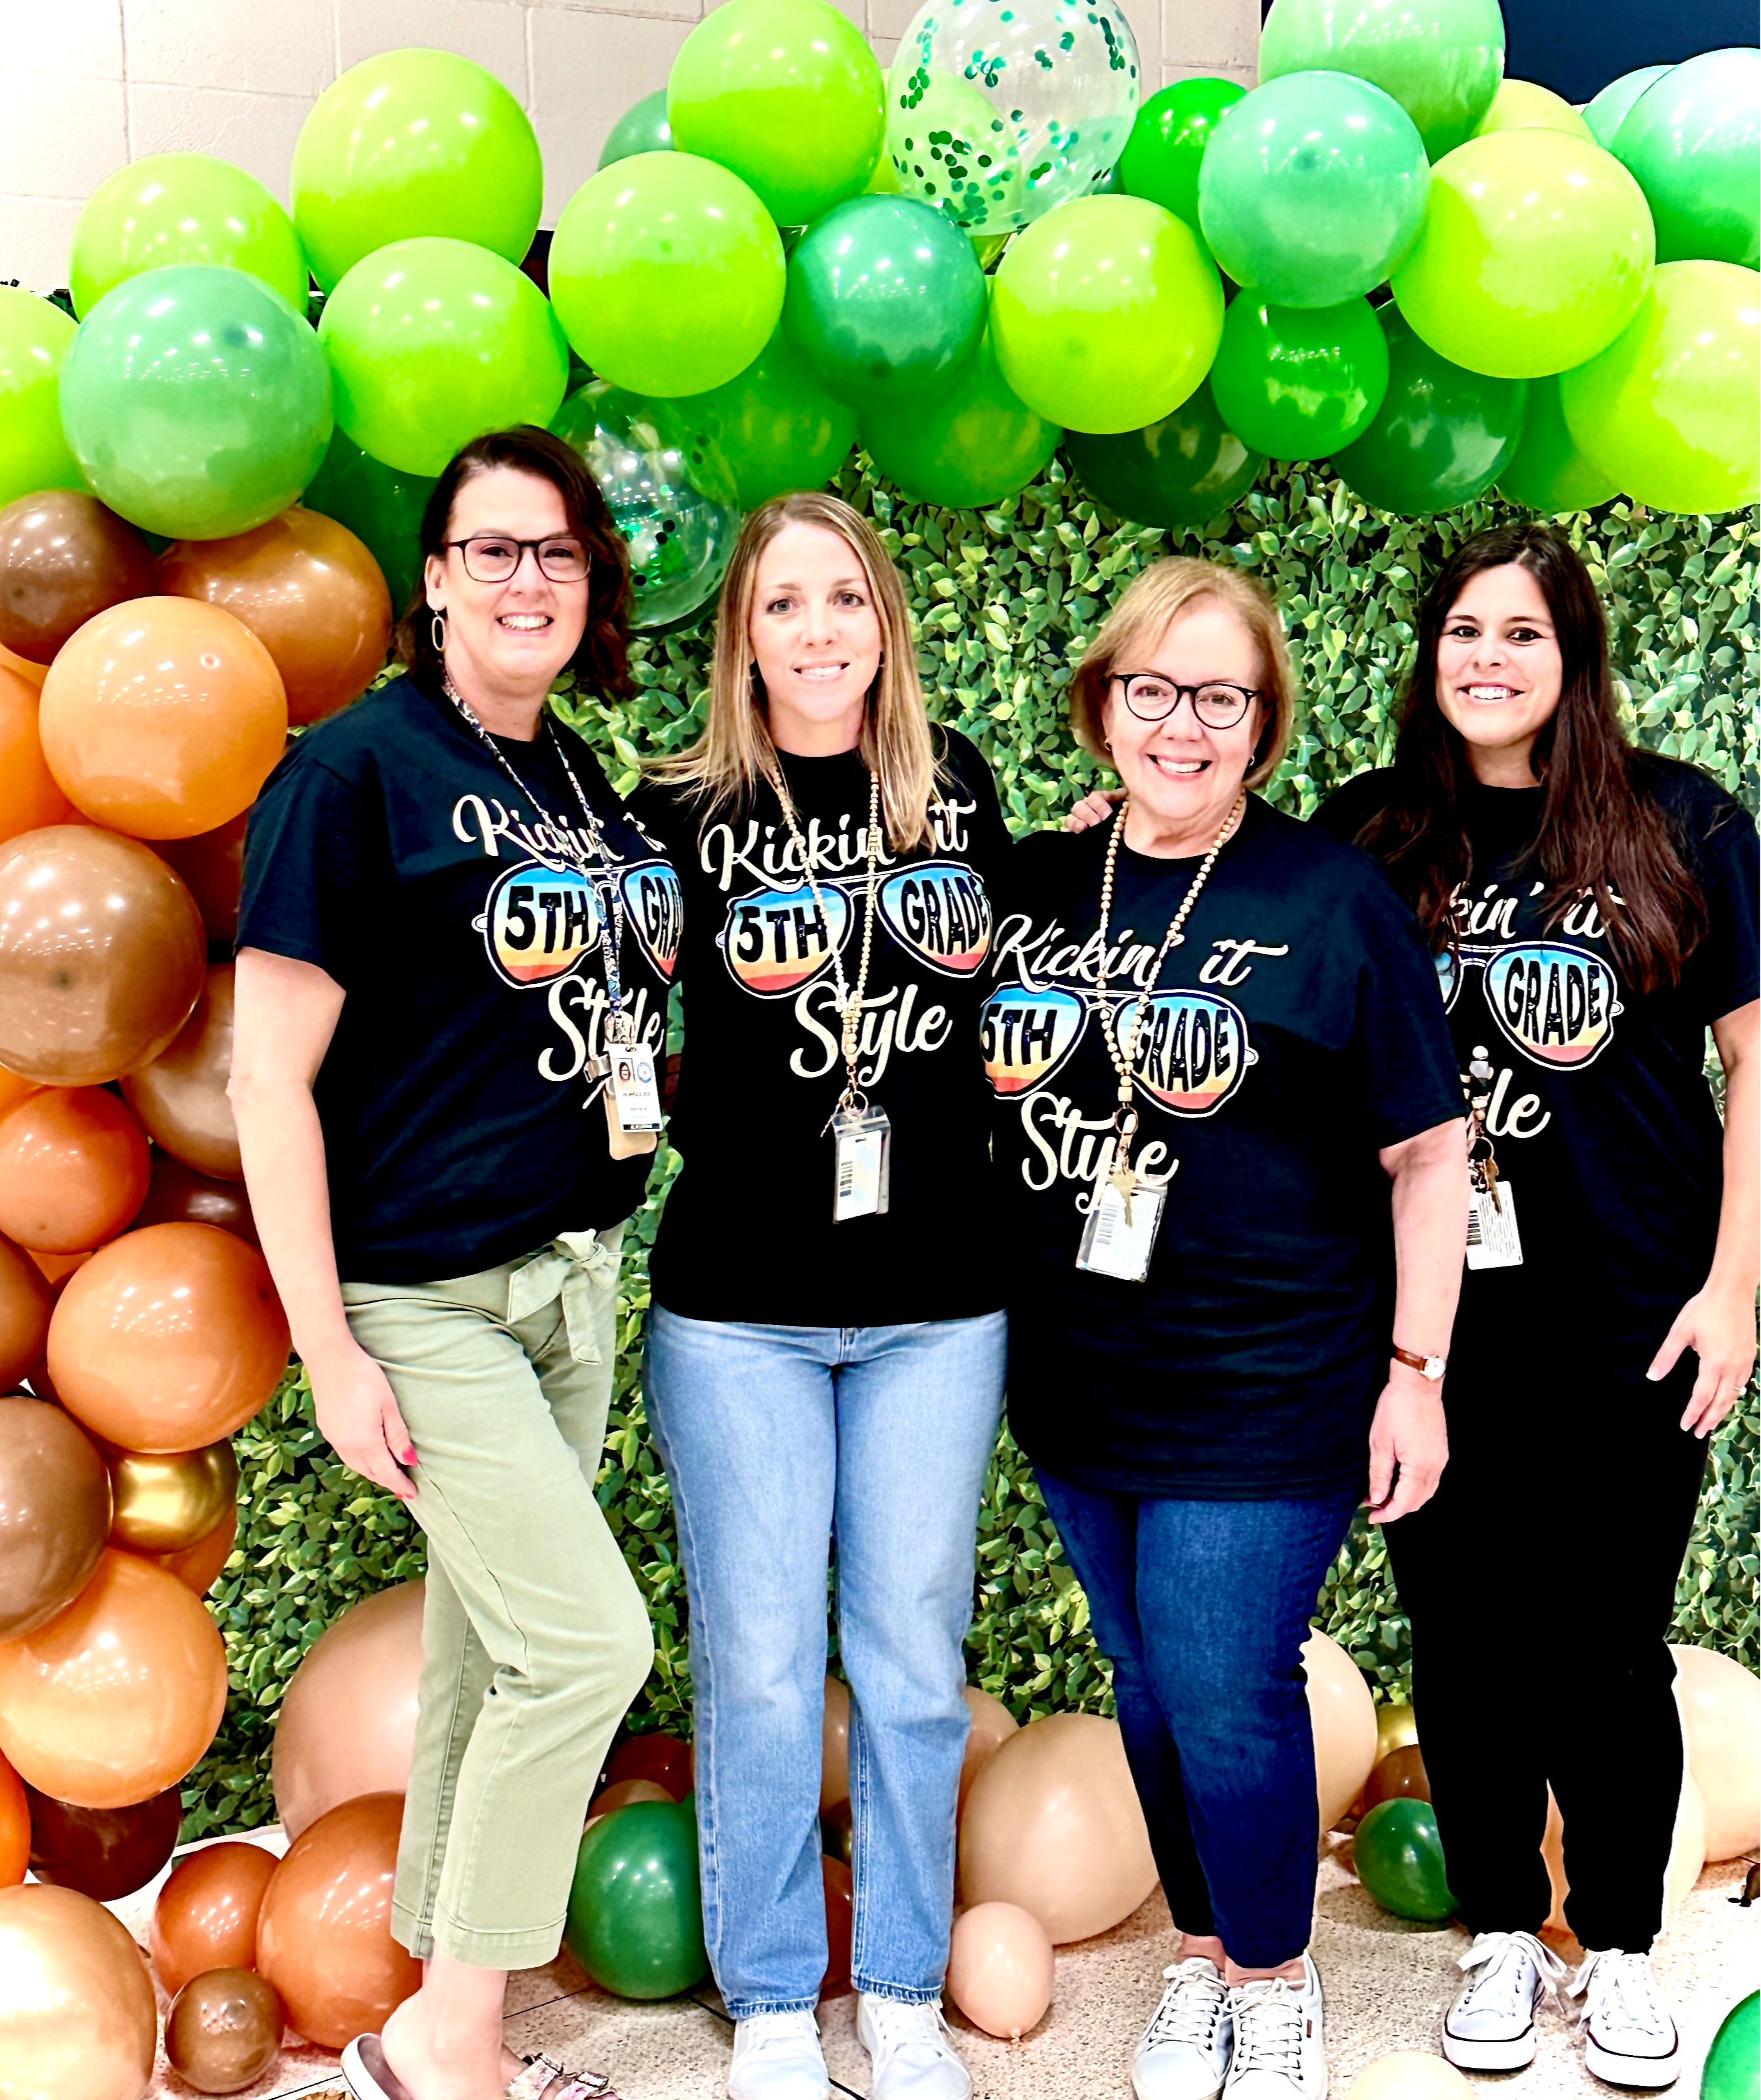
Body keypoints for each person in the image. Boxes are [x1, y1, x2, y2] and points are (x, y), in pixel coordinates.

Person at [231, 427, 678, 2100]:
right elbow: (267, 1072)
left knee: (495, 1650)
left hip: (568, 1280)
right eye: (492, 548)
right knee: (586, 1647)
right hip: (425, 1299)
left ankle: (425, 2020)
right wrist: (329, 1349)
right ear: (432, 577)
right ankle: (456, 2047)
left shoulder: (579, 776)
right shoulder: (356, 774)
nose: (526, 580)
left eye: (556, 551)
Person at [1001, 555, 1469, 2100]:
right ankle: (1204, 1953)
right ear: (1103, 706)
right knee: (1145, 1678)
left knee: (1224, 1683)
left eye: (1219, 696)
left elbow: (1429, 1155)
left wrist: (1416, 1373)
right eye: (1152, 689)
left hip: (1270, 1379)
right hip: (1079, 1381)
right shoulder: (1038, 885)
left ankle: (1272, 1978)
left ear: (1262, 723)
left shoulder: (1328, 900)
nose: (1180, 725)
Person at [1312, 523, 1759, 2090]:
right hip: (1431, 1324)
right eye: (1462, 631)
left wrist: (1734, 1290)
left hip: (1636, 1306)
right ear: (1428, 655)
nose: (1487, 658)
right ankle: (1502, 1929)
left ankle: (1625, 1948)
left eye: (1522, 633)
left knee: (1610, 1644)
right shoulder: (1367, 837)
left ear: (1572, 659)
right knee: (1465, 1635)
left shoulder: (1677, 820)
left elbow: (1755, 1064)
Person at [628, 491, 1012, 2100]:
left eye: (843, 599)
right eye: (782, 604)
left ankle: (906, 1985)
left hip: (939, 1301)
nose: (816, 632)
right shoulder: (675, 812)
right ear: (742, 636)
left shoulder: (958, 795)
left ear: (884, 624)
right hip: (739, 1307)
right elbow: (602, 1043)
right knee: (767, 1659)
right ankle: (778, 1994)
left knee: (915, 1657)